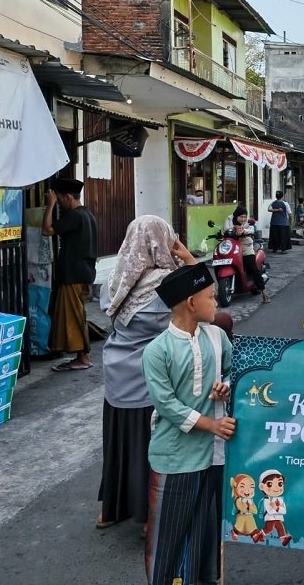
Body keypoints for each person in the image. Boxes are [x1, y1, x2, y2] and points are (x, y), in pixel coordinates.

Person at [97, 216, 195, 532]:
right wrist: (189, 259)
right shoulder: (167, 284)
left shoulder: (116, 278)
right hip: (149, 382)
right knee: (149, 448)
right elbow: (205, 303)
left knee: (119, 446)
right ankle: (149, 515)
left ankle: (111, 510)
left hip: (116, 375)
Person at [142, 264, 234, 585]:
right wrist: (210, 424)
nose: (217, 303)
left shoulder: (218, 338)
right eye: (211, 297)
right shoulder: (157, 351)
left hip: (211, 457)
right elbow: (166, 405)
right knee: (166, 540)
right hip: (173, 459)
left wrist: (227, 386)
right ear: (191, 303)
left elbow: (234, 372)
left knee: (202, 537)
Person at [42, 177, 97, 372]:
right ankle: (81, 356)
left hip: (74, 274)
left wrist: (50, 206)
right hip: (84, 273)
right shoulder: (87, 214)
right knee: (77, 315)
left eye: (60, 199)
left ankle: (82, 358)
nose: (59, 203)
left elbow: (47, 230)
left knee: (74, 317)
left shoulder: (75, 216)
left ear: (67, 197)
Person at [224, 206, 270, 303]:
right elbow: (226, 229)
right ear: (236, 216)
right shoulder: (229, 219)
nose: (243, 219)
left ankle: (264, 291)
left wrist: (244, 231)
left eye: (245, 217)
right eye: (241, 217)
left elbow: (252, 230)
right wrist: (233, 229)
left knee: (252, 267)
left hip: (246, 247)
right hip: (232, 247)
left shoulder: (247, 224)